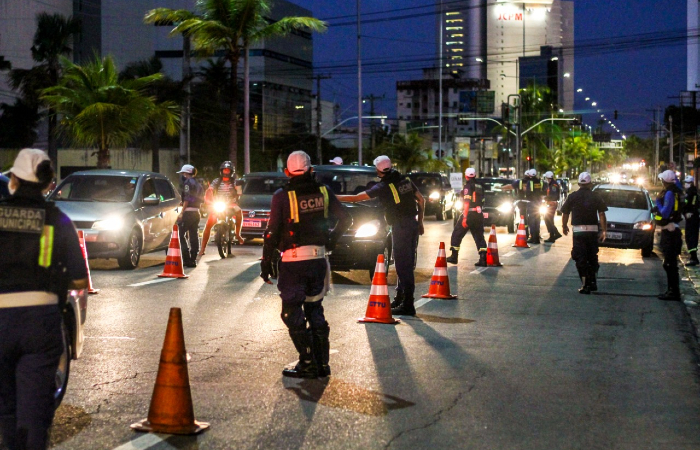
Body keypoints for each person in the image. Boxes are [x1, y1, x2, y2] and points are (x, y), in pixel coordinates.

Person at [0, 149, 88, 450]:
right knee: (35, 413)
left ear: (14, 180)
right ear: (48, 184)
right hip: (41, 322)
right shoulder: (58, 220)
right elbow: (79, 279)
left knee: (6, 409)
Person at [261, 151, 351, 378]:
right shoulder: (324, 191)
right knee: (314, 309)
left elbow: (272, 232)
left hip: (294, 263)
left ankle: (308, 361)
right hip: (318, 260)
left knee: (291, 313)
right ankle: (322, 364)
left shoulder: (282, 196)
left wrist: (266, 261)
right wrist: (331, 238)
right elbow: (346, 218)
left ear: (287, 172)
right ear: (311, 169)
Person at [337, 155, 425, 316]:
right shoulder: (405, 179)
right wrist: (420, 223)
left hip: (401, 226)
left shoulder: (384, 186)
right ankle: (400, 298)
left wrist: (333, 198)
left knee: (402, 265)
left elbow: (356, 198)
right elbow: (421, 199)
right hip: (411, 224)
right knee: (406, 263)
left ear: (378, 169)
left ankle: (408, 304)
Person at [561, 172, 608, 295]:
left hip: (579, 232)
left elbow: (565, 213)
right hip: (592, 231)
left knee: (580, 257)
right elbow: (602, 214)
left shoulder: (572, 196)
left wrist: (564, 226)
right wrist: (604, 230)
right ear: (590, 183)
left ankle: (585, 283)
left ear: (579, 184)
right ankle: (592, 281)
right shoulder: (596, 196)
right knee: (592, 257)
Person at [197, 161, 243, 261]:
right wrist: (208, 200)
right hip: (219, 204)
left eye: (228, 170)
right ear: (221, 171)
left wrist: (236, 195)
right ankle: (203, 248)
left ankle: (238, 234)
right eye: (224, 170)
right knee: (209, 224)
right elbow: (209, 191)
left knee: (239, 211)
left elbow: (239, 192)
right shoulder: (216, 181)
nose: (226, 172)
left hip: (231, 204)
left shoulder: (235, 181)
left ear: (231, 172)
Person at [446, 167, 487, 266]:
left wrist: (464, 217)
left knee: (457, 233)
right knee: (479, 236)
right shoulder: (480, 186)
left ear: (466, 176)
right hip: (478, 214)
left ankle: (454, 256)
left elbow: (467, 202)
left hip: (469, 214)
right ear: (475, 175)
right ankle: (483, 259)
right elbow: (482, 200)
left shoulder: (468, 186)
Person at [654, 170, 684, 300]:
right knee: (670, 264)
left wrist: (657, 203)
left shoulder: (670, 193)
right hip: (672, 230)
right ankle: (672, 290)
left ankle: (673, 292)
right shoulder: (676, 191)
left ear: (665, 181)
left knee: (669, 264)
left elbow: (665, 213)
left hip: (670, 232)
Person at [503, 169, 543, 243]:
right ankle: (536, 237)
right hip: (537, 203)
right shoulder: (540, 182)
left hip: (527, 203)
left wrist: (501, 188)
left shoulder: (525, 182)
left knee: (529, 220)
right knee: (536, 220)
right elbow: (543, 192)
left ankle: (531, 236)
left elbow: (526, 192)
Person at [176, 164, 204, 268]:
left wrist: (182, 212)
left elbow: (187, 199)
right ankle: (193, 259)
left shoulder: (187, 183)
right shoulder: (199, 184)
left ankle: (186, 258)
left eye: (183, 173)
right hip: (197, 212)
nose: (183, 175)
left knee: (181, 234)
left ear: (186, 173)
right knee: (194, 235)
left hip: (188, 212)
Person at [683, 174, 699, 266]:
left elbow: (693, 204)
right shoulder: (689, 192)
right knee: (689, 237)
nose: (686, 184)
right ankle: (693, 257)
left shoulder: (692, 193)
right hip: (690, 217)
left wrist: (690, 212)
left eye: (687, 183)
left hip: (692, 218)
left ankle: (694, 258)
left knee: (691, 237)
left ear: (691, 183)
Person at [542, 171, 563, 243]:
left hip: (552, 204)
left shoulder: (553, 185)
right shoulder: (551, 184)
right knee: (548, 219)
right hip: (550, 204)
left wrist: (545, 198)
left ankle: (554, 234)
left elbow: (553, 195)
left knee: (548, 219)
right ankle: (553, 235)